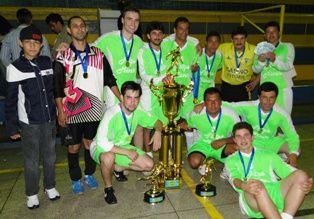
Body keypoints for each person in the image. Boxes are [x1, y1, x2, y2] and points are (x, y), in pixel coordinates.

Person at [53, 16, 121, 195]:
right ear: (69, 30)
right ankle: (75, 178)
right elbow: (57, 86)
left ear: (86, 29)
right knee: (73, 146)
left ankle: (89, 175)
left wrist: (121, 98)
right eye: (75, 26)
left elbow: (109, 79)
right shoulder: (63, 55)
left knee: (90, 144)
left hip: (94, 109)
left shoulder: (98, 53)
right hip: (71, 110)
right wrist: (60, 111)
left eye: (82, 26)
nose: (79, 29)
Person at [5, 25, 60, 209]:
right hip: (29, 123)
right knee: (31, 160)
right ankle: (31, 193)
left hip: (49, 119)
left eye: (36, 43)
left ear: (41, 45)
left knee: (50, 156)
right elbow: (11, 101)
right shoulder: (14, 68)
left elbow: (53, 89)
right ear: (20, 43)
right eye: (28, 42)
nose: (32, 46)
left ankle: (50, 186)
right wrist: (12, 127)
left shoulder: (47, 62)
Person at [90, 81, 163, 204]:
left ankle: (117, 168)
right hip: (100, 147)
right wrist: (127, 152)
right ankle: (108, 189)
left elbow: (157, 122)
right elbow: (102, 142)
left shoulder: (138, 111)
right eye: (128, 97)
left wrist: (158, 132)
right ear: (122, 97)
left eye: (136, 98)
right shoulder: (111, 113)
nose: (132, 102)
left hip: (123, 147)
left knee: (149, 165)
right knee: (108, 157)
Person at [225, 122, 312, 219]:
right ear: (234, 140)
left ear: (252, 137)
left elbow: (289, 171)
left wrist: (308, 181)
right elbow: (234, 179)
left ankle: (287, 216)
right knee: (257, 184)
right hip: (251, 196)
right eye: (239, 136)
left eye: (246, 135)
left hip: (273, 191)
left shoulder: (268, 154)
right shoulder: (230, 160)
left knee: (301, 175)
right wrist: (243, 185)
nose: (243, 139)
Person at [224, 82, 300, 167]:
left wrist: (293, 154)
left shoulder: (282, 113)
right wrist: (206, 102)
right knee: (234, 148)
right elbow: (229, 106)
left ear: (276, 98)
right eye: (264, 97)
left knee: (296, 149)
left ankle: (281, 160)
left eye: (271, 98)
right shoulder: (249, 106)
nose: (268, 101)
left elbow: (292, 135)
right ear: (259, 97)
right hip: (252, 141)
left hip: (270, 142)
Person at [180, 88, 240, 174]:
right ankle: (201, 163)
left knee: (238, 149)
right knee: (194, 162)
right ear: (204, 102)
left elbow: (239, 136)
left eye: (216, 100)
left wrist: (224, 141)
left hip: (222, 145)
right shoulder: (196, 113)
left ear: (221, 102)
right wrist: (183, 125)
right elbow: (186, 124)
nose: (213, 104)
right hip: (202, 144)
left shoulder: (231, 115)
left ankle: (229, 168)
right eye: (209, 101)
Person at [94, 6, 143, 109]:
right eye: (129, 19)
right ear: (122, 20)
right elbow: (86, 48)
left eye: (136, 20)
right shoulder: (108, 38)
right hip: (112, 93)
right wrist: (67, 46)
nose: (133, 24)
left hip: (131, 93)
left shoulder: (139, 41)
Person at [138, 21, 168, 155]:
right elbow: (143, 74)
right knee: (147, 125)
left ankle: (166, 152)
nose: (157, 36)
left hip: (164, 93)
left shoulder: (167, 50)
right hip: (148, 93)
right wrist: (161, 79)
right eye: (154, 33)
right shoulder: (142, 51)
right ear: (148, 36)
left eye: (160, 33)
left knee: (165, 123)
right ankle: (148, 155)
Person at [253, 21, 296, 115]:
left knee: (284, 119)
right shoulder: (259, 49)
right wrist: (260, 62)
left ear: (279, 33)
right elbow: (255, 70)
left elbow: (288, 66)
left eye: (274, 31)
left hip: (283, 90)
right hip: (265, 91)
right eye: (268, 32)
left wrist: (274, 60)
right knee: (266, 118)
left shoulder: (288, 46)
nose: (271, 34)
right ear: (264, 35)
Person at [219, 26, 259, 102]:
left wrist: (255, 82)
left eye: (242, 38)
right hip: (226, 87)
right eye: (236, 39)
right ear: (231, 40)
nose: (239, 41)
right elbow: (209, 49)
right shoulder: (223, 48)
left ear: (246, 39)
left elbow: (265, 66)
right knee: (226, 112)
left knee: (242, 112)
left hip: (243, 87)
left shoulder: (255, 50)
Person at [194, 31, 223, 103]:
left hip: (210, 93)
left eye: (216, 42)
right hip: (195, 92)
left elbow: (219, 67)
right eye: (211, 41)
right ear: (206, 42)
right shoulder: (197, 53)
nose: (213, 44)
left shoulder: (220, 56)